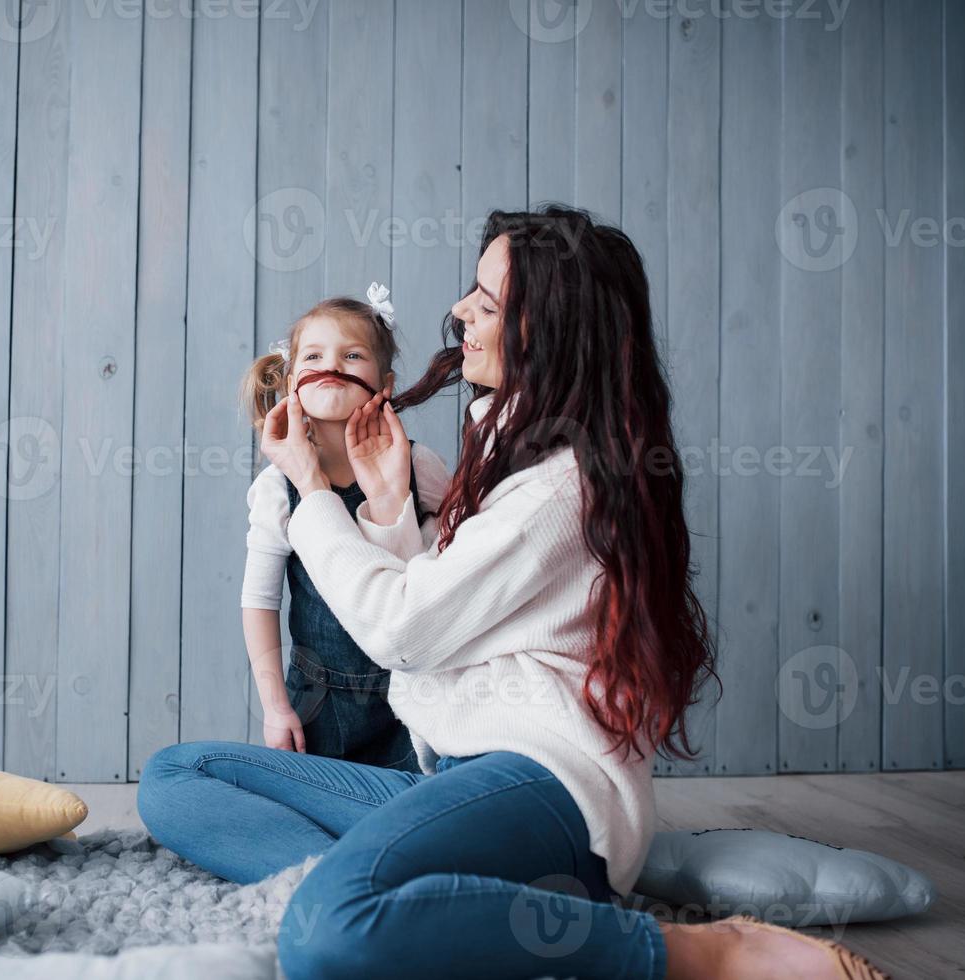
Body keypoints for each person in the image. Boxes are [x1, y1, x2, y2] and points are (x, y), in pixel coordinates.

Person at [140, 207, 890, 980]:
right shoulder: (504, 445)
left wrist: (311, 490)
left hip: (544, 781)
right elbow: (449, 609)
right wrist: (393, 506)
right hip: (456, 775)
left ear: (546, 335)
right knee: (175, 778)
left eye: (487, 303)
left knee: (324, 936)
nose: (459, 311)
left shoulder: (562, 486)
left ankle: (697, 949)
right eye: (472, 292)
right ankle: (430, 893)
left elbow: (401, 631)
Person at [237, 284, 449, 772]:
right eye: (314, 355)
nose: (332, 365)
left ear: (386, 383)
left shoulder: (422, 467)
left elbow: (453, 569)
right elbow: (259, 600)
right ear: (291, 381)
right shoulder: (278, 488)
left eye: (352, 355)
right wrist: (274, 705)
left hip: (410, 695)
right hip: (319, 702)